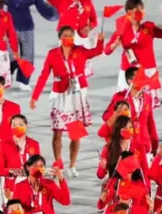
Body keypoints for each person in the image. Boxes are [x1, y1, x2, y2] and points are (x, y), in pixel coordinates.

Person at [29, 26, 105, 174]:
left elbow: (96, 51)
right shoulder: (52, 54)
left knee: (75, 133)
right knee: (57, 132)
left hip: (76, 94)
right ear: (60, 38)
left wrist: (100, 41)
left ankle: (72, 165)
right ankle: (58, 163)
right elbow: (44, 75)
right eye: (66, 35)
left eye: (71, 35)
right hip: (59, 94)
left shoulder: (80, 50)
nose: (69, 38)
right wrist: (35, 97)